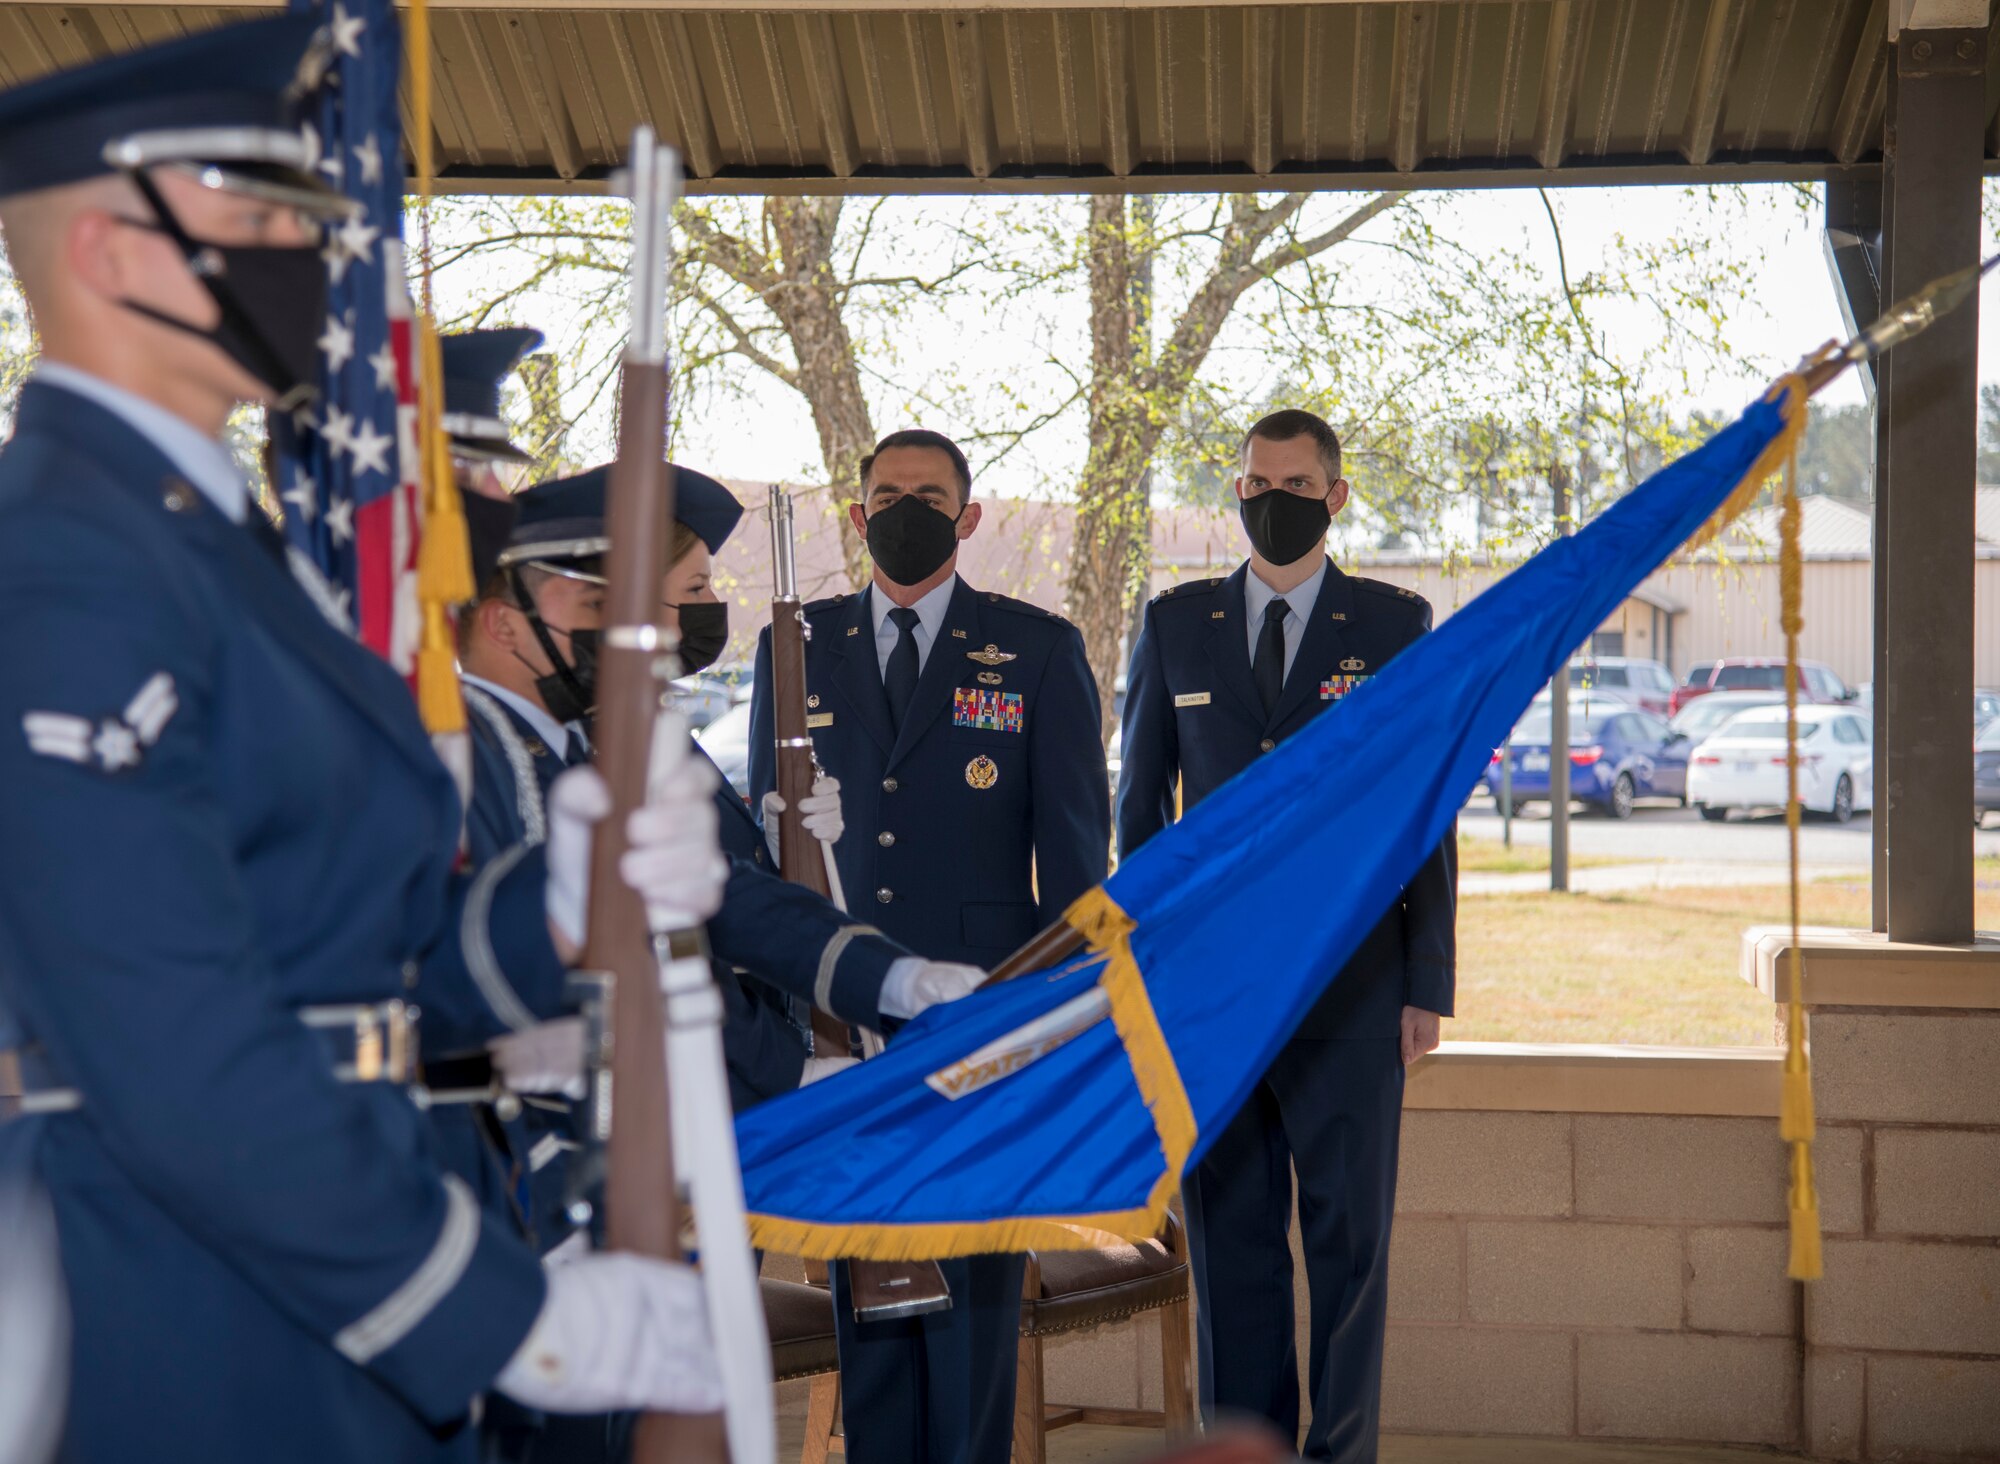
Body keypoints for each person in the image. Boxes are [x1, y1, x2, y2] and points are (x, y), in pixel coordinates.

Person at [0, 17, 736, 1459]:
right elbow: (175, 1047)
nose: (306, 249)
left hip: (319, 1299)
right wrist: (502, 1313)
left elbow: (353, 961)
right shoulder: (67, 564)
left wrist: (558, 895)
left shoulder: (212, 550)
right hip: (192, 1311)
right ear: (105, 252)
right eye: (261, 210)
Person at [749, 428, 1111, 1464]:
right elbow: (772, 856)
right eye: (885, 494)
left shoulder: (1034, 649)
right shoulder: (798, 645)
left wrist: (1061, 1022)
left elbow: (1076, 867)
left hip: (981, 1019)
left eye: (930, 493)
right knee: (864, 1288)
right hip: (842, 1018)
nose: (906, 509)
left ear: (968, 514)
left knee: (968, 1303)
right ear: (854, 515)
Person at [1116, 409, 1456, 1463]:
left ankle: (1339, 1452)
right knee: (1233, 1252)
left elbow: (1423, 814)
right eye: (1256, 483)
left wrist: (1425, 982)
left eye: (1297, 486)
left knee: (1350, 1250)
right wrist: (1141, 969)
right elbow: (1139, 813)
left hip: (1352, 989)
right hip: (1212, 999)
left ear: (1336, 497)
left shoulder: (1395, 625)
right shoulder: (1174, 624)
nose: (1273, 501)